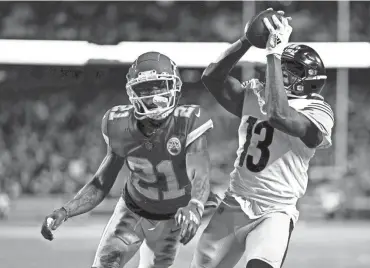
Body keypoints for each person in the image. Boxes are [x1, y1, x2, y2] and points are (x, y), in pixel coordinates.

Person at [40, 52, 214, 268]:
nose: (155, 95)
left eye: (160, 86)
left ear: (175, 86)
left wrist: (195, 205)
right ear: (134, 92)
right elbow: (101, 183)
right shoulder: (118, 125)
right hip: (133, 209)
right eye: (147, 88)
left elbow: (200, 172)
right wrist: (66, 211)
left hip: (172, 217)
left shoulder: (189, 120)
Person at [190, 9, 334, 268]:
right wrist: (246, 41)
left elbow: (279, 115)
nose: (275, 72)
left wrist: (274, 54)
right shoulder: (255, 95)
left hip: (276, 211)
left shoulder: (318, 112)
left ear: (304, 81)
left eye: (286, 70)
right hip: (236, 201)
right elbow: (211, 78)